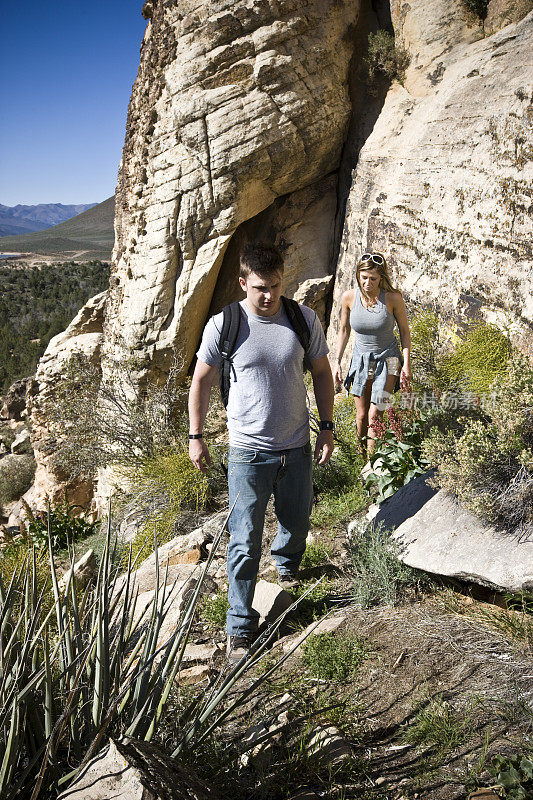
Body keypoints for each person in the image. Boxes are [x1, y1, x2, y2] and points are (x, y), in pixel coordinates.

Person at [188, 242, 335, 660]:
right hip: (248, 453)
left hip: (297, 447)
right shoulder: (226, 324)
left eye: (274, 286)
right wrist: (196, 436)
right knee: (245, 539)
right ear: (242, 283)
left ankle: (287, 565)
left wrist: (326, 428)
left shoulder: (303, 319)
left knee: (297, 518)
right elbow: (200, 381)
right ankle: (239, 624)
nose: (267, 296)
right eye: (258, 288)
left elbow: (322, 372)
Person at [334, 251, 411, 457]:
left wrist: (407, 364)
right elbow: (343, 330)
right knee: (361, 416)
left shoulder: (393, 298)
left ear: (382, 278)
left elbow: (404, 331)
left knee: (376, 412)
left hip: (391, 359)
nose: (368, 283)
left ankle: (373, 463)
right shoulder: (349, 298)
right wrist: (338, 362)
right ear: (358, 275)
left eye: (373, 279)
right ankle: (362, 459)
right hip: (361, 359)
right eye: (364, 277)